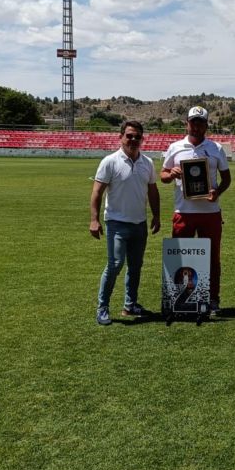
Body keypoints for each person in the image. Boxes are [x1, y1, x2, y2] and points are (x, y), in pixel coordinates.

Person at [160, 106, 231, 314]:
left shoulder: (216, 148)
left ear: (206, 125)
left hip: (210, 212)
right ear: (187, 123)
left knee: (212, 258)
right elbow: (162, 176)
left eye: (201, 122)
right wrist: (171, 173)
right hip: (183, 211)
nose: (197, 126)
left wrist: (217, 192)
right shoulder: (175, 147)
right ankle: (180, 298)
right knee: (181, 257)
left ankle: (213, 299)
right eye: (193, 122)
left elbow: (226, 179)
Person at [90, 120, 161, 325]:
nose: (133, 140)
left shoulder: (147, 163)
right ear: (121, 137)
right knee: (115, 263)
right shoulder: (110, 162)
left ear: (142, 139)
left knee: (136, 266)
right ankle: (102, 307)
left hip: (139, 223)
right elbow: (97, 192)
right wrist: (94, 219)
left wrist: (156, 215)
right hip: (116, 223)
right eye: (129, 135)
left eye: (137, 136)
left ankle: (130, 305)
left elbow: (153, 192)